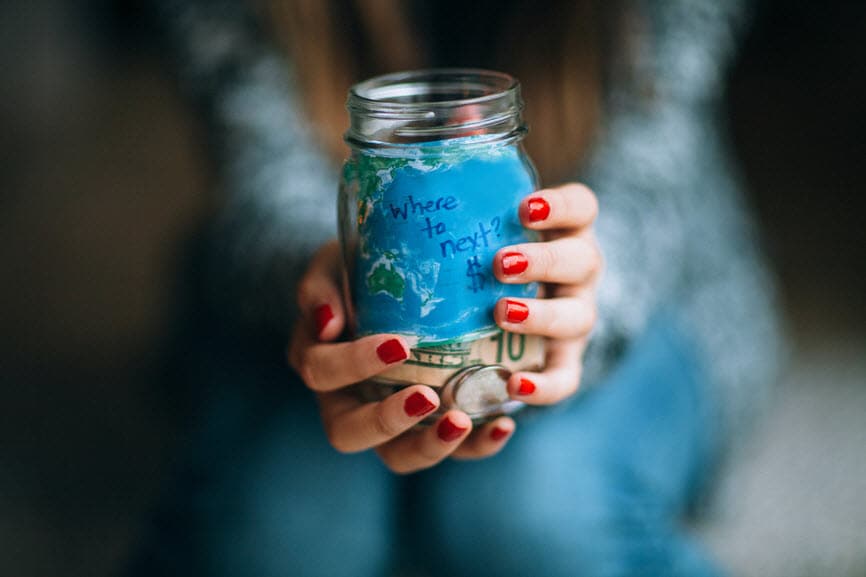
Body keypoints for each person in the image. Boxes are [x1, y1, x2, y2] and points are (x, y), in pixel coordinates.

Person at [130, 0, 784, 576]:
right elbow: (256, 158)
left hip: (654, 284)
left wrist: (587, 294)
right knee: (280, 539)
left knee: (530, 517)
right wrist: (321, 278)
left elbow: (656, 157)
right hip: (281, 301)